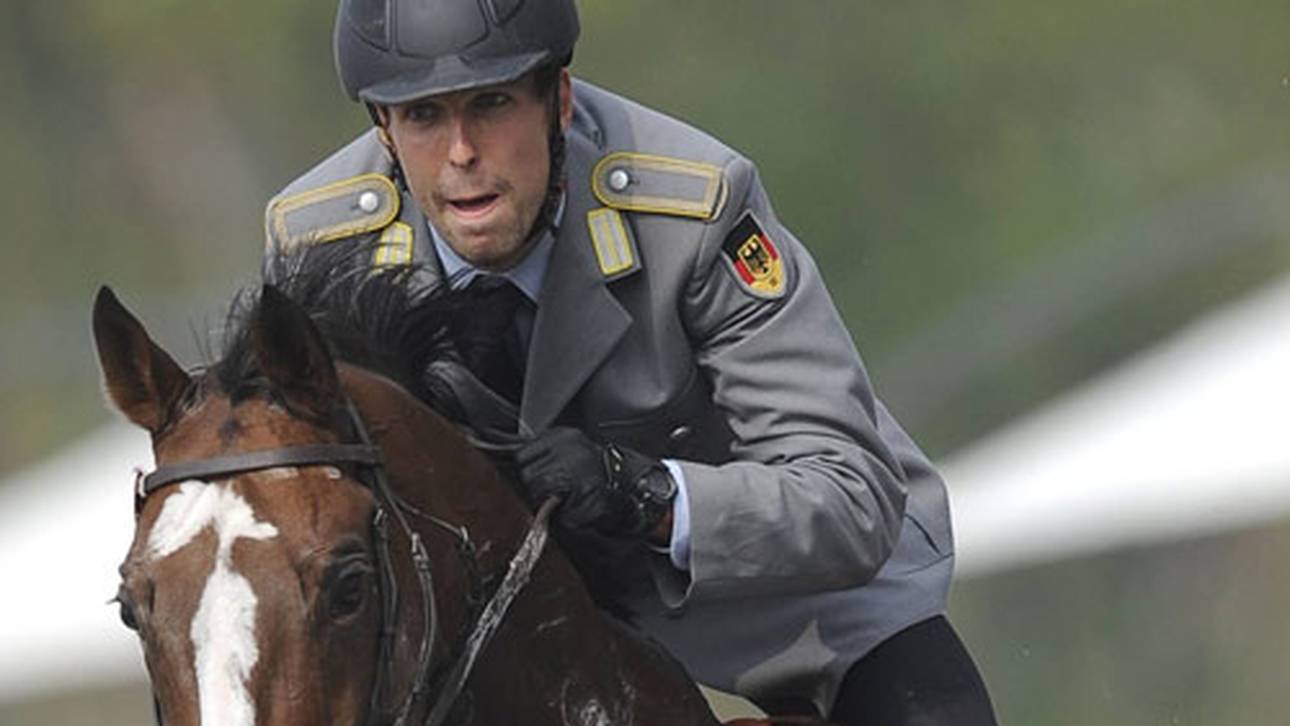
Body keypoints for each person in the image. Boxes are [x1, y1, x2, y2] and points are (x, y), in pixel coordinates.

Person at [265, 1, 997, 724]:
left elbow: (851, 498)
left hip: (769, 586)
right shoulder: (319, 249)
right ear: (383, 132)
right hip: (492, 615)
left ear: (558, 98)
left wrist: (647, 498)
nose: (461, 153)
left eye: (491, 104)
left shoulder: (693, 207)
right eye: (423, 115)